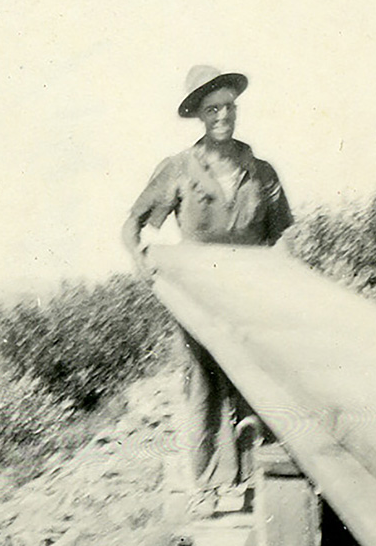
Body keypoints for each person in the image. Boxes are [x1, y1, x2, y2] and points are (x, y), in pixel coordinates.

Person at [122, 65, 293, 512]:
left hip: (253, 296)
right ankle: (210, 487)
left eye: (229, 107)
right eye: (212, 109)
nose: (223, 116)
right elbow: (133, 225)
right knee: (204, 385)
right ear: (199, 114)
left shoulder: (260, 171)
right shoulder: (179, 169)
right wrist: (143, 261)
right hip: (199, 298)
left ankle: (259, 479)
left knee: (257, 382)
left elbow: (284, 235)